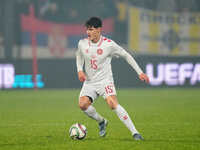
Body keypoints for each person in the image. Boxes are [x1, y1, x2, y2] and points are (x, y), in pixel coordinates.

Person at [76, 17, 149, 140]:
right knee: (83, 105)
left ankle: (135, 133)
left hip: (105, 81)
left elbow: (126, 55)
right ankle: (102, 122)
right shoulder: (82, 43)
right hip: (89, 82)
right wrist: (79, 70)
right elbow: (79, 55)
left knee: (112, 103)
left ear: (99, 30)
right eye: (87, 30)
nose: (88, 32)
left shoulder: (108, 45)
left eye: (91, 29)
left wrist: (140, 72)